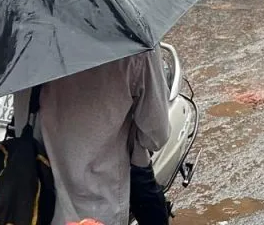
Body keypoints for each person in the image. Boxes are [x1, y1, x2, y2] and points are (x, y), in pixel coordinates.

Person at [13, 50, 170, 225]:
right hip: (99, 208)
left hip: (28, 203)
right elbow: (156, 137)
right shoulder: (136, 47)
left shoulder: (20, 40)